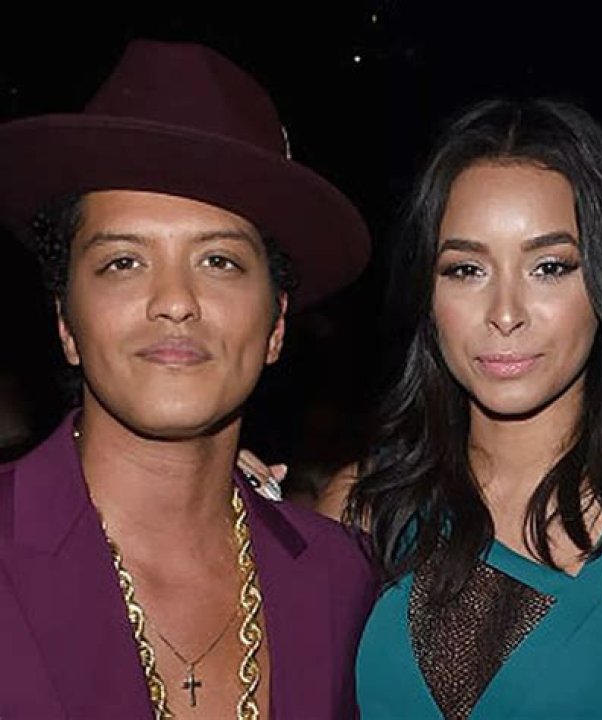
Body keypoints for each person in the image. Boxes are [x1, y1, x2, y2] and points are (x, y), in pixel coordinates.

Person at [240, 98, 602, 719]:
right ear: (428, 295)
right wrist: (232, 525)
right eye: (466, 269)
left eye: (549, 267)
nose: (506, 312)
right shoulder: (364, 507)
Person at [0, 39, 377, 719]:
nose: (174, 301)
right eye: (123, 262)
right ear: (65, 320)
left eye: (219, 261)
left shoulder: (342, 579)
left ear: (276, 323)